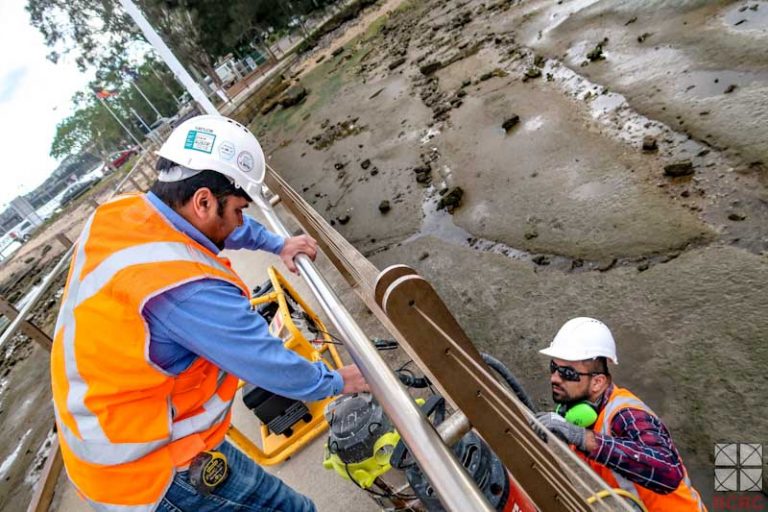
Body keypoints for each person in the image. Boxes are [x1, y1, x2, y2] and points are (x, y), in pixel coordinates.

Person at [50, 114, 369, 512]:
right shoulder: (186, 289)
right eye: (238, 209)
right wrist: (341, 380)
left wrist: (276, 243)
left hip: (140, 436)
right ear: (203, 200)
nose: (241, 219)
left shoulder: (121, 216)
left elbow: (221, 225)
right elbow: (271, 365)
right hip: (151, 472)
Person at [533, 317, 706, 511]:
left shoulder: (626, 414)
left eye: (567, 373)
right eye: (553, 368)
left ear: (597, 382)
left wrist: (585, 439)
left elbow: (668, 470)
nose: (554, 378)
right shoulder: (575, 413)